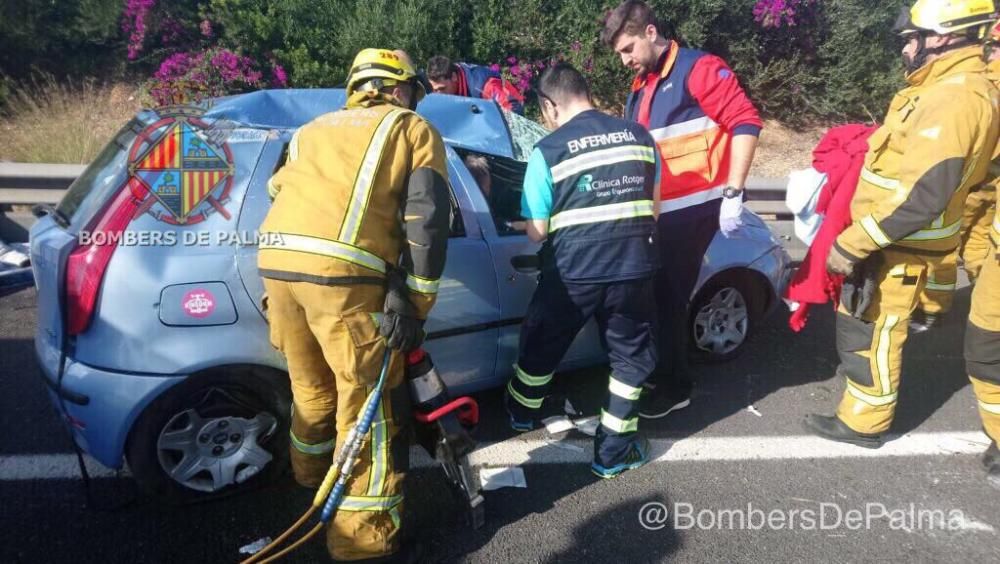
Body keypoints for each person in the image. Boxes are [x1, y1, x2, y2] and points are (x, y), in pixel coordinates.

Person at [257, 48, 451, 562]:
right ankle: (362, 544)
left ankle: (310, 481)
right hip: (341, 277)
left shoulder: (309, 131)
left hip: (278, 266)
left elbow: (279, 192)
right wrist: (414, 304)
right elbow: (427, 220)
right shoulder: (409, 128)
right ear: (401, 88)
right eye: (413, 92)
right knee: (369, 408)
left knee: (311, 389)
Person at [802, 0, 1000, 448]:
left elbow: (923, 194)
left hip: (898, 245)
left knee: (874, 333)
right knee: (867, 328)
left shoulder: (954, 99)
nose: (906, 48)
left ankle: (865, 425)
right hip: (896, 240)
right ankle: (861, 416)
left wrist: (853, 242)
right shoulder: (943, 88)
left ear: (944, 36)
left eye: (912, 38)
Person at [601, 0, 763, 418]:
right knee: (653, 296)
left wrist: (734, 192)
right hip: (658, 213)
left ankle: (676, 386)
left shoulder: (699, 69)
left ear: (650, 33)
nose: (624, 61)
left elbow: (745, 121)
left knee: (669, 297)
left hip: (693, 209)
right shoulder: (641, 85)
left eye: (628, 49)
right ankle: (659, 373)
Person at [504, 62, 660, 479]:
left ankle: (520, 414)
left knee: (541, 345)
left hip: (573, 275)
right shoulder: (640, 138)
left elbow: (537, 233)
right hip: (633, 269)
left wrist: (529, 221)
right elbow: (653, 210)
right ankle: (612, 454)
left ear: (550, 106)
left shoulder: (549, 150)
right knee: (629, 362)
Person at [425, 55, 525, 113]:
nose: (438, 95)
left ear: (454, 77)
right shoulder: (446, 78)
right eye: (435, 90)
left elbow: (514, 110)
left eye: (442, 89)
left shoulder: (484, 86)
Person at [463, 153, 526, 232]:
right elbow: (498, 227)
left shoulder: (460, 200)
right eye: (486, 177)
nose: (491, 183)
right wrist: (529, 225)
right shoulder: (474, 209)